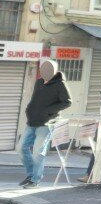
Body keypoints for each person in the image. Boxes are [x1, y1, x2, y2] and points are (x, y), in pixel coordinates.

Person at [19, 60, 72, 189]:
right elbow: (35, 100)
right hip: (32, 121)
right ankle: (31, 175)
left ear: (54, 71)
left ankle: (35, 180)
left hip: (46, 123)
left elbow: (67, 102)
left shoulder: (60, 84)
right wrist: (29, 109)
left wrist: (49, 111)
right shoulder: (39, 82)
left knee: (38, 152)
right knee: (20, 148)